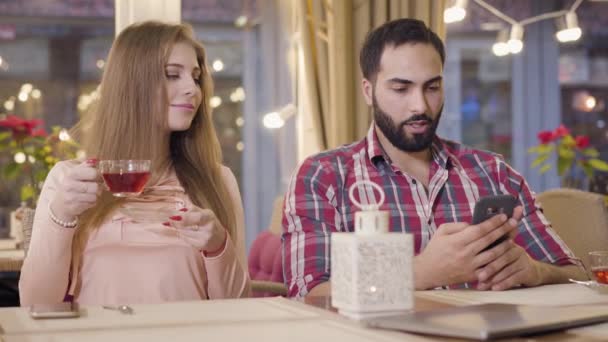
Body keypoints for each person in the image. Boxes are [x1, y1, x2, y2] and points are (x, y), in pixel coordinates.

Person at [282, 18, 587, 298]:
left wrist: (536, 272)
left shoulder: (494, 173)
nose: (421, 106)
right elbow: (308, 295)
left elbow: (578, 277)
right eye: (401, 88)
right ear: (368, 91)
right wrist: (422, 272)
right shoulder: (322, 176)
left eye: (432, 87)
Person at [19, 21, 251, 305]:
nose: (193, 89)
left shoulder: (218, 180)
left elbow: (240, 306)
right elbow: (35, 304)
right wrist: (63, 213)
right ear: (131, 85)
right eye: (172, 75)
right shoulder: (69, 180)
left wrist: (217, 247)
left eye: (195, 76)